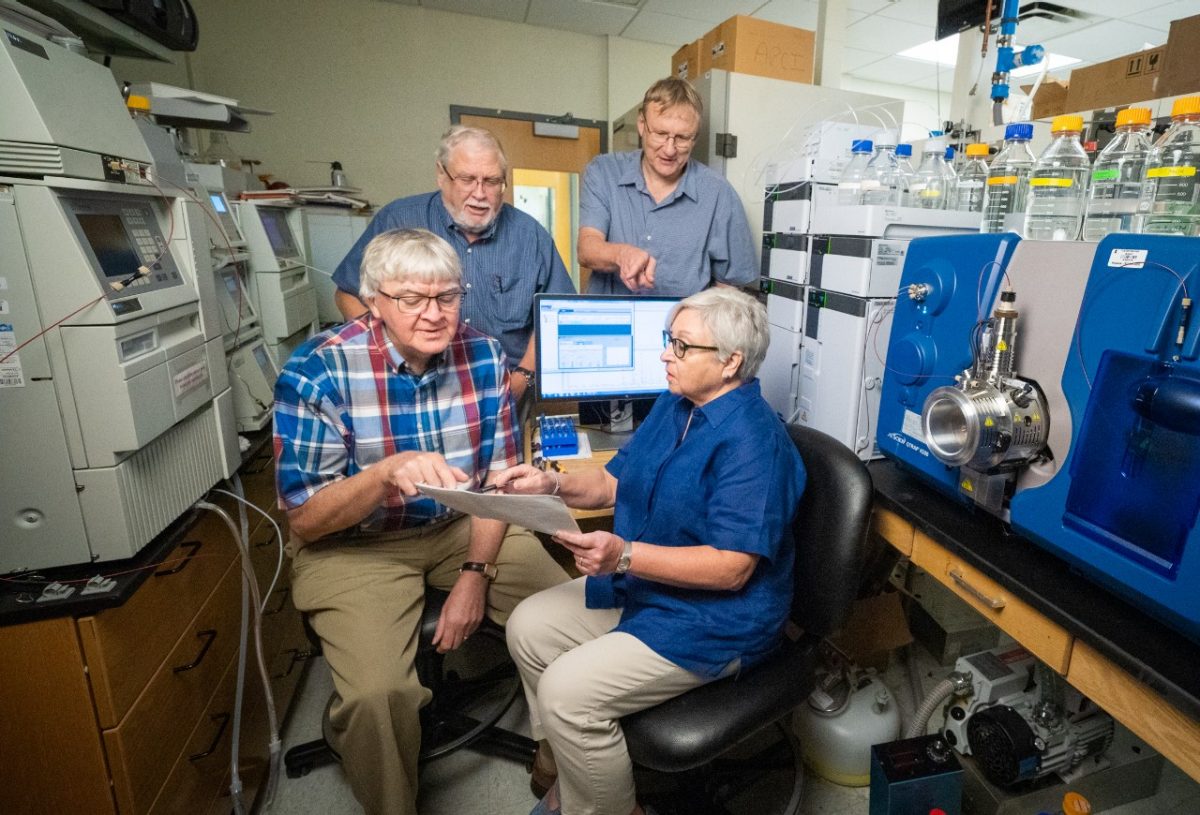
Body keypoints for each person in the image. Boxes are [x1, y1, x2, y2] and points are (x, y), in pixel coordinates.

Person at [274, 228, 569, 815]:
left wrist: (476, 572)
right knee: (378, 696)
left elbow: (498, 478)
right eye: (411, 298)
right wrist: (383, 475)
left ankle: (557, 760)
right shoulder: (318, 370)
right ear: (374, 299)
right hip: (353, 546)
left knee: (574, 619)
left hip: (464, 523)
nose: (434, 314)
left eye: (448, 297)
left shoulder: (484, 354)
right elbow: (306, 520)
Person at [494, 287, 807, 815]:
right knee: (527, 625)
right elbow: (614, 483)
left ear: (731, 362)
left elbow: (732, 570)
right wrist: (548, 485)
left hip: (716, 622)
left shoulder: (756, 443)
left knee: (568, 695)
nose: (665, 354)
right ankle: (569, 766)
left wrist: (623, 556)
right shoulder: (676, 404)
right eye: (669, 340)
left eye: (682, 346)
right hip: (653, 590)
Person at [331, 125, 575, 400]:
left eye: (492, 181)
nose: (480, 193)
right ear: (441, 175)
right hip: (409, 393)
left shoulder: (530, 236)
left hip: (505, 393)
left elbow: (559, 315)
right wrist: (386, 355)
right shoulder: (397, 221)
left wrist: (523, 378)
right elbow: (347, 294)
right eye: (467, 179)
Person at [578, 78, 758, 296]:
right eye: (661, 134)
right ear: (642, 125)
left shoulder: (718, 194)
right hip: (610, 325)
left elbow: (729, 289)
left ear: (695, 138)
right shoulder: (604, 172)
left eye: (682, 138)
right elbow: (587, 249)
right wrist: (621, 254)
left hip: (680, 329)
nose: (670, 150)